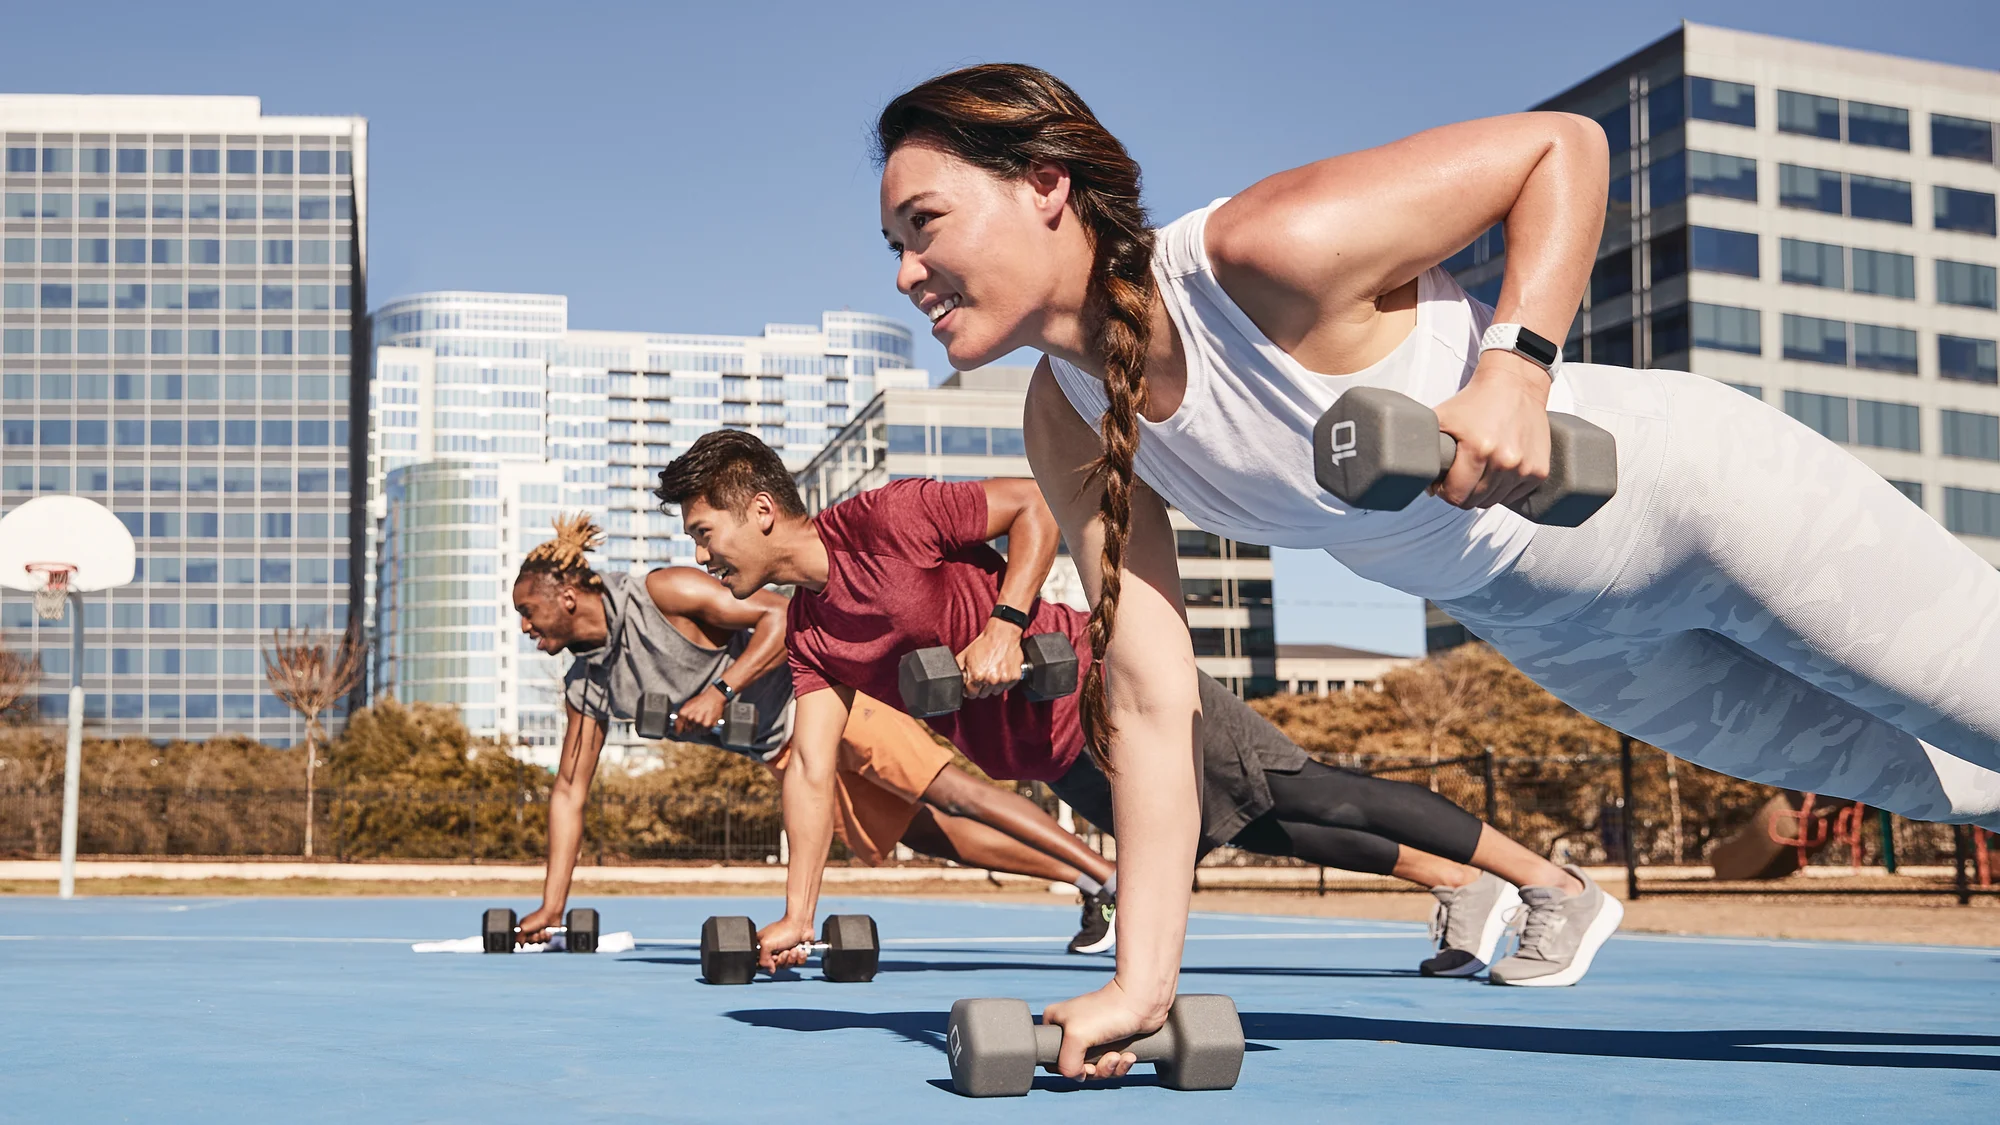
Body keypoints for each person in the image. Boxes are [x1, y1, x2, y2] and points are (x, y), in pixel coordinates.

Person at [870, 63, 2000, 1078]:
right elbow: (1153, 704)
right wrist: (1142, 986)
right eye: (894, 250)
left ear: (1045, 183)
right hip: (1553, 624)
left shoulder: (1263, 250)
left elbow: (1559, 146)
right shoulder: (1062, 418)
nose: (910, 272)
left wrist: (1514, 368)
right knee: (1941, 787)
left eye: (925, 225)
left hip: (1696, 504)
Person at [653, 438, 1617, 984]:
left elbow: (1031, 505)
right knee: (1272, 827)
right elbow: (814, 770)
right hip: (1059, 758)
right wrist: (799, 911)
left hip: (1110, 682)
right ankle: (1459, 882)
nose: (705, 557)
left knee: (1305, 787)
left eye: (706, 533)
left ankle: (1556, 884)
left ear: (761, 511)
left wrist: (1005, 620)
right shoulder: (812, 631)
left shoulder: (883, 518)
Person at [507, 514, 1122, 957]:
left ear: (565, 596)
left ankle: (1114, 879)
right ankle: (1090, 878)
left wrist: (720, 691)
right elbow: (568, 794)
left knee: (951, 792)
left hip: (835, 702)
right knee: (929, 835)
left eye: (528, 615)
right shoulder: (587, 684)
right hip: (784, 750)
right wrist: (552, 906)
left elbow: (779, 615)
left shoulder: (661, 592)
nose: (528, 631)